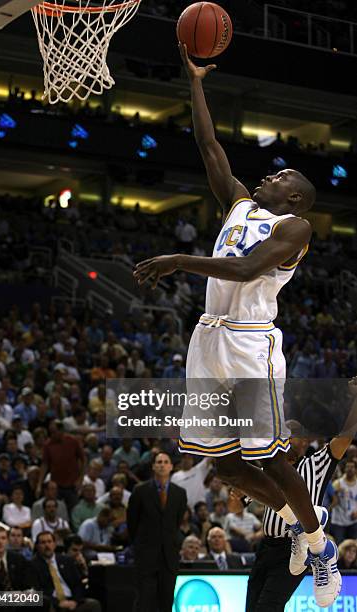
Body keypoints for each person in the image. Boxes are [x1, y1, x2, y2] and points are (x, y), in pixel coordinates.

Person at [133, 43, 340, 607]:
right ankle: (299, 520)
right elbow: (208, 146)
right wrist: (195, 81)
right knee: (220, 461)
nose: (270, 175)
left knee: (268, 457)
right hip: (209, 335)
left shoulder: (295, 227)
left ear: (294, 197)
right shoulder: (240, 205)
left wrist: (179, 261)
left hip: (251, 342)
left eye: (283, 174)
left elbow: (249, 268)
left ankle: (320, 546)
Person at [246, 382, 357, 612]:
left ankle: (320, 547)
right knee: (252, 606)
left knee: (267, 607)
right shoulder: (268, 469)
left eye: (292, 434)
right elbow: (236, 506)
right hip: (265, 547)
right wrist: (236, 493)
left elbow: (345, 437)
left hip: (294, 548)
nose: (285, 437)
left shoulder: (315, 464)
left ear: (305, 441)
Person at [127, 452, 187, 612]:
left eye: (165, 462)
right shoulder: (140, 491)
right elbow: (132, 522)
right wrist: (141, 545)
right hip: (146, 555)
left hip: (169, 556)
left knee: (166, 601)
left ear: (171, 467)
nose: (162, 464)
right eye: (159, 462)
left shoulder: (180, 493)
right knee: (144, 601)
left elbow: (176, 522)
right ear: (153, 466)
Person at [32, 531, 101, 612]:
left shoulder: (66, 560)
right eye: (43, 543)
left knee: (93, 604)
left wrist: (75, 601)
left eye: (49, 542)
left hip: (72, 600)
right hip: (52, 603)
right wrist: (57, 603)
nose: (47, 545)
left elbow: (78, 584)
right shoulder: (33, 565)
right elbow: (37, 591)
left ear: (54, 544)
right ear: (37, 546)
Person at [36, 420, 85, 512]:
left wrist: (80, 479)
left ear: (61, 430)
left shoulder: (73, 441)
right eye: (51, 432)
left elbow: (83, 460)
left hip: (72, 484)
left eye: (54, 432)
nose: (52, 435)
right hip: (56, 485)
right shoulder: (48, 445)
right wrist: (39, 484)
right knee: (55, 510)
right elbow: (45, 464)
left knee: (74, 510)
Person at [0, 525, 35, 591]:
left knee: (42, 599)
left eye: (3, 538)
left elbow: (27, 584)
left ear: (7, 541)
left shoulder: (18, 558)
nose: (0, 542)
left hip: (19, 598)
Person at [330, 459, 357, 544]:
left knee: (353, 545)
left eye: (352, 467)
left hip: (352, 520)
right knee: (339, 545)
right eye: (348, 467)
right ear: (344, 469)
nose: (350, 469)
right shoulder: (337, 483)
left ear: (355, 469)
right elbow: (330, 501)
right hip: (339, 521)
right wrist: (335, 493)